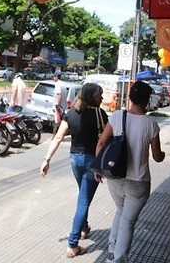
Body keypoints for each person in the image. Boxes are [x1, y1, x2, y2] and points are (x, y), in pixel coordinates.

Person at [95, 81, 166, 262]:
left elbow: (101, 143)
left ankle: (112, 250)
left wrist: (99, 168)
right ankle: (118, 259)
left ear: (130, 98)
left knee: (120, 211)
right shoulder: (151, 125)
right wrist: (163, 154)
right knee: (128, 221)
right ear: (147, 101)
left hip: (115, 176)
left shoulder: (117, 116)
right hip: (138, 182)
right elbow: (157, 157)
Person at [40, 83, 108, 257]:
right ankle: (73, 245)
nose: (102, 98)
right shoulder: (100, 114)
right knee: (84, 201)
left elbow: (57, 138)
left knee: (83, 195)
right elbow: (107, 141)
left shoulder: (70, 114)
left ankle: (84, 228)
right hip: (92, 162)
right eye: (99, 95)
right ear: (91, 96)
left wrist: (47, 160)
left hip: (75, 160)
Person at [52, 73, 68, 138]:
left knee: (57, 121)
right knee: (62, 121)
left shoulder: (58, 84)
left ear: (56, 77)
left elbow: (59, 95)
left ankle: (54, 136)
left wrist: (57, 105)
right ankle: (61, 135)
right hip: (63, 106)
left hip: (59, 107)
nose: (53, 78)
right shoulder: (63, 84)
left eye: (53, 76)